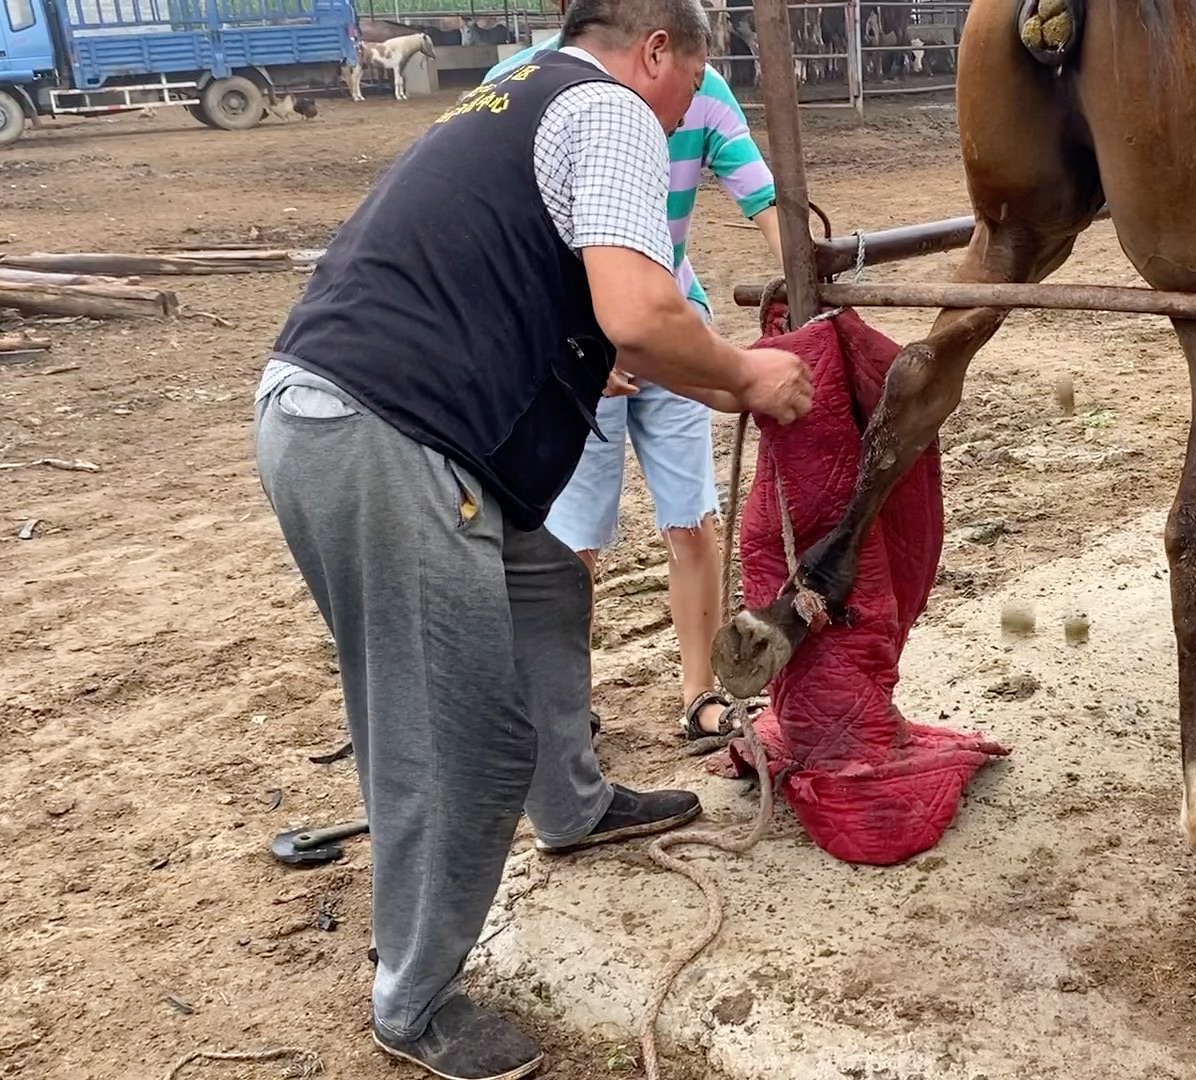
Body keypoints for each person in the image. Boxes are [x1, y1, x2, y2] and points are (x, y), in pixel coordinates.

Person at [252, 0, 811, 1076]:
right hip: (386, 435)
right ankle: (412, 1001)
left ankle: (575, 802)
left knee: (547, 583)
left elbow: (562, 306)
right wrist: (743, 377)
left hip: (346, 411)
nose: (688, 115)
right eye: (694, 87)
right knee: (453, 733)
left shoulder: (515, 92)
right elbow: (640, 314)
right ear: (656, 52)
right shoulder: (607, 110)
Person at [485, 30, 784, 745]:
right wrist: (574, 343)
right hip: (575, 339)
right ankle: (564, 707)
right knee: (574, 535)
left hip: (671, 321)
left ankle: (701, 693)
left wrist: (806, 275)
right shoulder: (528, 83)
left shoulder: (699, 87)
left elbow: (766, 199)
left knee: (692, 517)